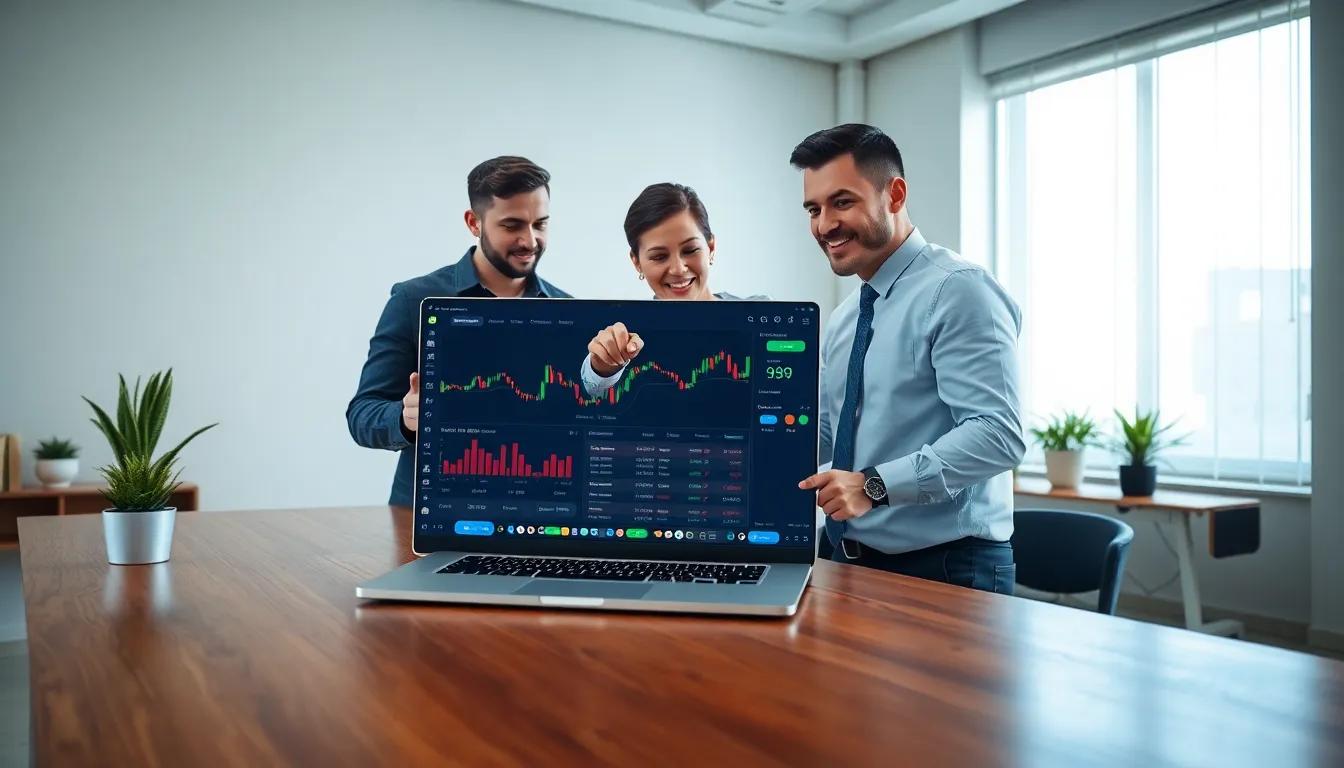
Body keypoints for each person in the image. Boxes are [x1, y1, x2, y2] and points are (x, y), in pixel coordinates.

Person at [791, 124, 1025, 595]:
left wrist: (874, 486)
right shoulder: (842, 320)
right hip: (848, 562)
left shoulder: (960, 290)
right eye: (814, 209)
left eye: (842, 202)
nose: (824, 225)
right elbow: (830, 437)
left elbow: (999, 435)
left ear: (894, 195)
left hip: (947, 569)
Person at [347, 156, 571, 507]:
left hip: (535, 514)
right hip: (428, 517)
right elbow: (362, 414)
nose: (530, 241)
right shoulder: (414, 299)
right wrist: (405, 419)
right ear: (474, 222)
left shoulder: (568, 310)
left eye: (540, 224)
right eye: (512, 225)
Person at [581, 182, 768, 398]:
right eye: (659, 256)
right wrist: (602, 368)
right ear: (637, 263)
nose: (679, 269)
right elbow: (589, 393)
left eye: (690, 250)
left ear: (711, 248)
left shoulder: (761, 313)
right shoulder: (622, 337)